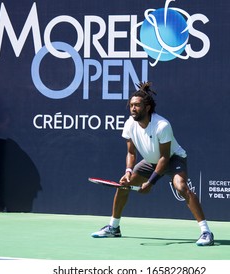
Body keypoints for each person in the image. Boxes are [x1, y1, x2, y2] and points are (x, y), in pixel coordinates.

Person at [91, 82, 214, 246]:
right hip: (150, 161)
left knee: (181, 187)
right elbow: (131, 152)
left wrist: (150, 183)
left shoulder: (162, 125)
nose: (133, 108)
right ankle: (114, 228)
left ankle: (206, 232)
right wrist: (128, 171)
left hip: (172, 158)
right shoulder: (129, 124)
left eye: (137, 105)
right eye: (131, 105)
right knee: (124, 186)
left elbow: (164, 157)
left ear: (147, 107)